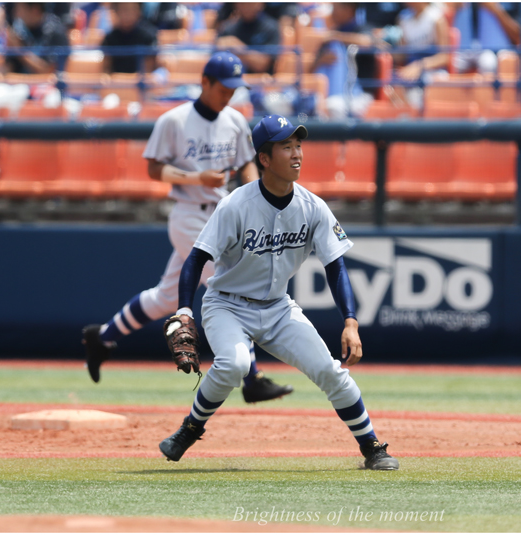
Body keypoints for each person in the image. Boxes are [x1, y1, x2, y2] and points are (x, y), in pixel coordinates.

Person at [157, 113, 400, 471]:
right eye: (286, 147)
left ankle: (372, 448)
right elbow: (195, 260)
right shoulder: (236, 205)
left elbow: (336, 266)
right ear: (265, 159)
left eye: (299, 145)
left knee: (331, 372)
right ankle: (189, 429)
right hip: (227, 305)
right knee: (235, 363)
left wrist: (350, 320)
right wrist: (185, 311)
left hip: (278, 309)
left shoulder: (312, 206)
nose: (297, 153)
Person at [82, 52, 293, 404]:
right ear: (205, 82)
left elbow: (246, 167)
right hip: (188, 214)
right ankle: (252, 379)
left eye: (234, 88)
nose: (229, 94)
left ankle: (102, 337)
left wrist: (258, 199)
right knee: (232, 283)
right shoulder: (174, 120)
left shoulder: (236, 121)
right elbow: (152, 169)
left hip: (223, 214)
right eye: (224, 87)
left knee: (166, 296)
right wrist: (197, 177)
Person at [310, 2, 383, 118]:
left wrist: (335, 36)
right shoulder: (330, 38)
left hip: (360, 94)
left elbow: (367, 41)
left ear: (349, 9)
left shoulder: (362, 28)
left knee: (333, 107)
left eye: (335, 8)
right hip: (329, 93)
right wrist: (321, 60)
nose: (332, 12)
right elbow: (311, 71)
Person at [453, 2, 521, 75]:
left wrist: (495, 9)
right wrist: (453, 8)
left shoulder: (515, 4)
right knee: (450, 66)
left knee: (488, 63)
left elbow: (519, 35)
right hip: (463, 51)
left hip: (495, 51)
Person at [4, 2, 69, 74]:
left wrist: (20, 50)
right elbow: (9, 68)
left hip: (46, 84)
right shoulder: (18, 31)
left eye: (20, 9)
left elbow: (48, 71)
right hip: (19, 83)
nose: (16, 14)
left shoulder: (56, 32)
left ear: (35, 9)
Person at [216, 2, 280, 75]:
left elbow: (262, 65)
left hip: (261, 81)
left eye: (250, 3)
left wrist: (239, 49)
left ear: (261, 3)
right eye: (243, 3)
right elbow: (218, 60)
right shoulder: (227, 29)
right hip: (231, 79)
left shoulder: (272, 28)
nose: (246, 7)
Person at [101, 2, 158, 74]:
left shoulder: (149, 37)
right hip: (116, 83)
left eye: (132, 9)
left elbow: (147, 72)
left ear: (139, 11)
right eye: (124, 9)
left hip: (140, 83)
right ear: (116, 11)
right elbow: (106, 71)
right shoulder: (109, 39)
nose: (128, 13)